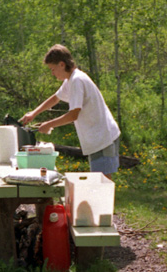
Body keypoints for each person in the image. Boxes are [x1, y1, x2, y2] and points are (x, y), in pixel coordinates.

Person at [20, 44, 121, 178]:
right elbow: (56, 98)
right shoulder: (71, 80)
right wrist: (33, 113)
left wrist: (49, 124)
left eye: (53, 69)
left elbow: (73, 115)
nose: (52, 73)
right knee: (100, 184)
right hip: (97, 138)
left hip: (102, 137)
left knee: (102, 184)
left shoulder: (77, 80)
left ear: (62, 64)